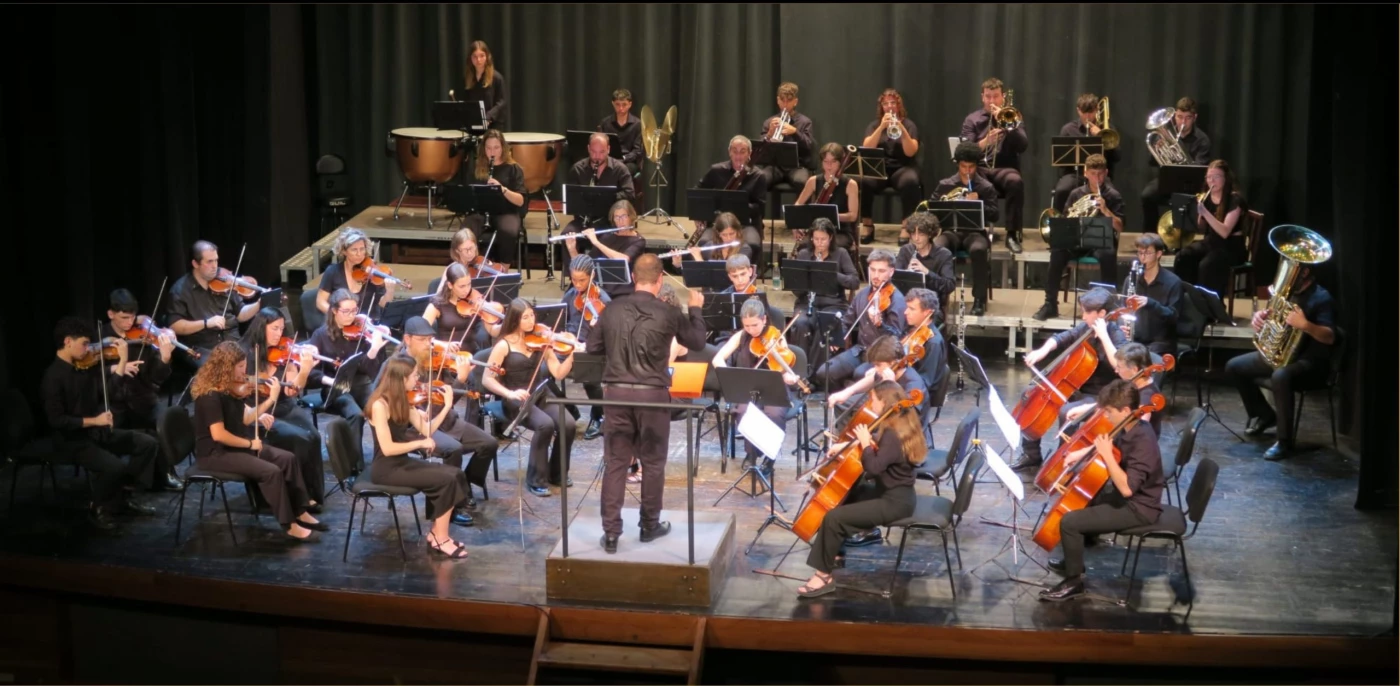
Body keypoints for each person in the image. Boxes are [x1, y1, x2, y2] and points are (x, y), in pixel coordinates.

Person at [590, 254, 708, 554]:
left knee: (616, 462)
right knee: (653, 462)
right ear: (660, 280)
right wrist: (695, 309)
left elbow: (592, 347)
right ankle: (648, 525)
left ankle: (612, 533)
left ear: (632, 277)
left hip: (615, 394)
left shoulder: (612, 308)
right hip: (653, 396)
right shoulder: (667, 311)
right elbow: (696, 341)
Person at [1039, 379, 1163, 602]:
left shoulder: (1143, 440)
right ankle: (1073, 558)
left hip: (1139, 507)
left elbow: (1126, 489)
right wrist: (1081, 454)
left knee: (1070, 522)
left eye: (1108, 411)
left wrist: (1106, 455)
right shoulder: (1128, 424)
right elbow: (1109, 441)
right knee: (1083, 499)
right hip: (1129, 497)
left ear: (1125, 410)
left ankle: (1073, 581)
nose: (1105, 416)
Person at [798, 380, 925, 598]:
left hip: (894, 503)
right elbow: (884, 453)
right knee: (847, 495)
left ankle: (823, 576)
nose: (870, 403)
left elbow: (874, 467)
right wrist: (851, 446)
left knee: (834, 518)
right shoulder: (899, 424)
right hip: (895, 493)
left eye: (873, 399)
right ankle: (835, 553)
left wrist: (865, 443)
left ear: (884, 402)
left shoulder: (893, 435)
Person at [190, 341, 322, 541]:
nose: (245, 372)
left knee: (287, 458)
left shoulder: (230, 390)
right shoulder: (210, 396)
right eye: (241, 367)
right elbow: (218, 435)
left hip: (233, 447)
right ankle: (289, 525)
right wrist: (250, 444)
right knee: (271, 472)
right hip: (216, 454)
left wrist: (270, 400)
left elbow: (247, 417)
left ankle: (300, 510)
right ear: (226, 367)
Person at [42, 317, 159, 530]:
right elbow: (57, 421)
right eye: (84, 344)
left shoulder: (86, 367)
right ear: (68, 341)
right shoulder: (53, 377)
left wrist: (122, 362)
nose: (88, 349)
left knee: (147, 443)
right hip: (72, 441)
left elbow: (111, 391)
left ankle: (121, 498)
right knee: (114, 467)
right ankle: (97, 508)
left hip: (96, 433)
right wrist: (94, 420)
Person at [394, 316, 500, 524]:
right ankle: (446, 509)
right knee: (453, 449)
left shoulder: (436, 360)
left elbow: (446, 401)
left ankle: (463, 485)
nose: (429, 345)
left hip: (446, 420)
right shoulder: (396, 366)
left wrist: (460, 379)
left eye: (430, 340)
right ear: (407, 339)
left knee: (489, 443)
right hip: (417, 427)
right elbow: (381, 398)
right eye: (423, 340)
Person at [1225, 265, 1336, 461]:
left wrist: (1305, 325)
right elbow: (1272, 320)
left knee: (1280, 376)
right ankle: (1264, 415)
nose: (1287, 276)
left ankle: (1285, 442)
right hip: (1283, 355)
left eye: (1294, 271)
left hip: (1311, 362)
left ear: (1305, 273)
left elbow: (1330, 337)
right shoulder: (1285, 294)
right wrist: (1260, 319)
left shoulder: (1322, 298)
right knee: (1234, 366)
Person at [365, 356, 471, 558]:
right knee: (446, 480)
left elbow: (427, 429)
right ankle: (441, 538)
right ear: (402, 379)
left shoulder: (404, 399)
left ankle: (437, 533)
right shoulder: (379, 405)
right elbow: (387, 449)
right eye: (414, 375)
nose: (417, 379)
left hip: (401, 463)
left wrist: (446, 407)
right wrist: (419, 443)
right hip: (386, 469)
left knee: (455, 474)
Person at [1012, 288, 1127, 472]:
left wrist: (1104, 336)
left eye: (1087, 312)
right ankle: (1031, 455)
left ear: (1102, 314)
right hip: (1078, 389)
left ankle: (1063, 460)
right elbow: (1061, 338)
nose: (1083, 317)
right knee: (1032, 394)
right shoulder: (1085, 329)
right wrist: (1042, 351)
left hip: (1101, 396)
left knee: (1067, 412)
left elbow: (1120, 366)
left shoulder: (1116, 335)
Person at [482, 298, 578, 496]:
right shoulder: (503, 345)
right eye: (525, 317)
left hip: (540, 393)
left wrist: (572, 356)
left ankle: (557, 474)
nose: (531, 320)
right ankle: (536, 479)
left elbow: (558, 373)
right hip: (516, 398)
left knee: (568, 424)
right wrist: (509, 393)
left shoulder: (541, 341)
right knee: (545, 425)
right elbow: (487, 379)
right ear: (515, 320)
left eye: (532, 315)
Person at [239, 307, 326, 512]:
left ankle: (311, 493)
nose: (279, 334)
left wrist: (304, 369)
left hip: (285, 407)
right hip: (260, 411)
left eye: (281, 329)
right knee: (298, 439)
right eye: (274, 329)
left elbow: (292, 391)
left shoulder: (285, 352)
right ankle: (295, 495)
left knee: (313, 435)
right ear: (262, 328)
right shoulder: (244, 353)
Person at [102, 288, 183, 491]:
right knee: (108, 433)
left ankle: (165, 472)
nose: (129, 323)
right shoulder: (101, 336)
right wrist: (114, 368)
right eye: (123, 318)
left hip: (142, 398)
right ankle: (125, 481)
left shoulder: (144, 337)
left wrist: (164, 358)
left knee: (165, 421)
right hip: (115, 402)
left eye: (132, 317)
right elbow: (88, 372)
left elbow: (155, 378)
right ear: (111, 314)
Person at [712, 299, 802, 472]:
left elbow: (784, 367)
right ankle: (752, 454)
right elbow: (717, 358)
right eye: (747, 325)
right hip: (749, 388)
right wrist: (730, 376)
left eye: (755, 325)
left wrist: (789, 376)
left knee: (773, 413)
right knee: (744, 411)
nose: (751, 330)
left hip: (774, 387)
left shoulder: (776, 337)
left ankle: (770, 456)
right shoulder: (740, 336)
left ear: (764, 320)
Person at [1035, 154, 1125, 321]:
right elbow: (1065, 219)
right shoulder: (1076, 194)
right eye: (1092, 174)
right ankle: (1050, 304)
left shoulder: (1113, 196)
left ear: (1106, 173)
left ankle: (1108, 305)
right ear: (1085, 173)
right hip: (1077, 241)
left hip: (1101, 242)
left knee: (1108, 255)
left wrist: (1105, 210)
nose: (1096, 178)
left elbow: (1120, 226)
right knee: (1057, 252)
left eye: (1100, 174)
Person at [306, 288, 391, 459]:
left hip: (361, 384)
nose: (351, 316)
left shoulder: (362, 332)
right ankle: (355, 465)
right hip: (335, 388)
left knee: (381, 408)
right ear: (334, 311)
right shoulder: (320, 335)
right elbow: (311, 373)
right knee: (355, 414)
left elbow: (372, 371)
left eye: (354, 310)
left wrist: (374, 349)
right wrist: (329, 380)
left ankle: (383, 457)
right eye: (346, 311)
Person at [811, 249, 906, 391]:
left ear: (891, 272)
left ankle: (855, 398)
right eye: (872, 270)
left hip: (881, 357)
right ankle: (844, 396)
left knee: (860, 374)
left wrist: (880, 324)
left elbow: (896, 336)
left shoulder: (896, 299)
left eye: (881, 271)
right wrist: (837, 337)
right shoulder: (862, 294)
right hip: (860, 351)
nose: (875, 275)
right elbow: (847, 321)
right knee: (825, 372)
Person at [166, 240, 263, 366]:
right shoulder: (180, 290)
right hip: (203, 348)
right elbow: (175, 326)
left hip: (233, 344)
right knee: (220, 367)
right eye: (209, 262)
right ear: (195, 263)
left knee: (259, 359)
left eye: (216, 260)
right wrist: (206, 323)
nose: (215, 266)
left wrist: (258, 305)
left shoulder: (225, 282)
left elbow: (241, 314)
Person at [961, 77, 1029, 254]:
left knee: (1015, 181)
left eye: (996, 96)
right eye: (988, 96)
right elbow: (964, 151)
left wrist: (1008, 125)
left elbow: (1023, 146)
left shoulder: (1013, 116)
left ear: (1003, 97)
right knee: (967, 178)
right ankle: (975, 231)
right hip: (980, 169)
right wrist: (985, 142)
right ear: (982, 97)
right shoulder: (972, 119)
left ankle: (1012, 235)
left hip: (1004, 168)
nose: (992, 101)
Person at [930, 143, 998, 314]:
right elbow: (931, 211)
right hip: (951, 232)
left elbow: (995, 215)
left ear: (976, 166)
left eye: (971, 167)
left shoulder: (985, 187)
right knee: (938, 247)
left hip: (975, 233)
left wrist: (979, 202)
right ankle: (939, 295)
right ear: (958, 165)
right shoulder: (945, 185)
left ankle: (978, 300)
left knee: (979, 249)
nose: (967, 170)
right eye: (963, 166)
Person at [785, 219, 860, 372]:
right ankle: (799, 371)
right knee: (800, 324)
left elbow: (854, 281)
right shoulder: (804, 254)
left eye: (823, 239)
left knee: (825, 327)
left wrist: (831, 274)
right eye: (816, 239)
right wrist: (802, 282)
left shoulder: (841, 254)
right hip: (807, 303)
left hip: (834, 304)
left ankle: (815, 374)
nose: (819, 243)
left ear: (831, 237)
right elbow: (796, 291)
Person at [1061, 342, 1164, 441]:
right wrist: (1088, 408)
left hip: (1132, 448)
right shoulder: (1134, 383)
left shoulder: (1146, 398)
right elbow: (1115, 401)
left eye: (1119, 367)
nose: (1116, 371)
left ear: (1134, 369)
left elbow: (1135, 434)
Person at [858, 88, 923, 244]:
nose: (889, 106)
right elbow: (867, 147)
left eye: (893, 103)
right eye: (885, 104)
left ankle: (906, 225)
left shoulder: (909, 125)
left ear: (899, 105)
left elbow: (911, 151)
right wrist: (881, 127)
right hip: (879, 169)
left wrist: (901, 129)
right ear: (882, 107)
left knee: (911, 181)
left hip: (902, 168)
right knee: (864, 180)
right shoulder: (874, 125)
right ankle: (867, 223)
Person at [1176, 160, 1248, 295]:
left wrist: (1205, 212)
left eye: (1216, 177)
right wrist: (1197, 214)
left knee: (1207, 266)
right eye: (1209, 177)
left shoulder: (1235, 200)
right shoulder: (1207, 197)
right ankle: (1188, 298)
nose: (1211, 181)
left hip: (1231, 247)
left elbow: (1225, 232)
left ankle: (1210, 308)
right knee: (1183, 256)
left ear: (1225, 178)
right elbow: (1202, 229)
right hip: (1212, 242)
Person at [1140, 97, 1212, 232]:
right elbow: (1152, 162)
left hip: (1188, 185)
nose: (1183, 122)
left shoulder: (1202, 140)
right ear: (1174, 116)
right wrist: (1157, 149)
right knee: (1147, 195)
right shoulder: (1167, 133)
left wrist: (1181, 152)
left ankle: (1181, 242)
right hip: (1168, 180)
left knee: (1182, 199)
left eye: (1187, 118)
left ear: (1195, 117)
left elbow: (1199, 170)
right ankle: (1151, 237)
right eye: (1179, 117)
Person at [460, 130, 529, 268]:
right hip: (481, 212)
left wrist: (502, 189)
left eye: (496, 147)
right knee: (465, 232)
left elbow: (521, 200)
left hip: (506, 212)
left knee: (508, 231)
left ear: (503, 147)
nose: (492, 151)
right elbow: (468, 193)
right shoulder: (476, 167)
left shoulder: (513, 168)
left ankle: (503, 273)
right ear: (483, 148)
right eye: (488, 148)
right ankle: (467, 270)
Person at [561, 254, 611, 440]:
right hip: (569, 348)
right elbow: (561, 323)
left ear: (592, 277)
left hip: (593, 350)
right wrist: (567, 339)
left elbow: (610, 334)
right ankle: (567, 408)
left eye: (582, 280)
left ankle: (597, 417)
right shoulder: (569, 296)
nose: (578, 284)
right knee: (543, 369)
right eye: (574, 280)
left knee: (590, 377)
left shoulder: (603, 299)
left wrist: (592, 338)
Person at [694, 135, 767, 259]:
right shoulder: (716, 170)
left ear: (749, 153)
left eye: (742, 152)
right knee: (704, 242)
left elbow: (760, 208)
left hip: (745, 224)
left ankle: (747, 276)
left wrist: (739, 205)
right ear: (729, 153)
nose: (738, 156)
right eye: (735, 151)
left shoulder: (758, 176)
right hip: (719, 225)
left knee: (752, 243)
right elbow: (698, 192)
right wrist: (699, 215)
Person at [564, 199, 647, 297]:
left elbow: (623, 259)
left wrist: (596, 242)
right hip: (601, 288)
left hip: (623, 290)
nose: (620, 221)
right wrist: (572, 249)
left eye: (624, 216)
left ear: (631, 217)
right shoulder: (607, 237)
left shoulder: (638, 241)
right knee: (570, 295)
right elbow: (585, 265)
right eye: (617, 217)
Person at [1053, 93, 1121, 213]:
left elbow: (1117, 157)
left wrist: (1101, 137)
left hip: (1099, 174)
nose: (1088, 116)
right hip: (1075, 173)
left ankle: (1110, 227)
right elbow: (1060, 162)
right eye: (1084, 112)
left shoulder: (1107, 129)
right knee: (1062, 190)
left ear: (1097, 110)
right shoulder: (1068, 129)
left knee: (1112, 193)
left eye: (1091, 112)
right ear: (1078, 110)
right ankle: (1058, 225)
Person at [1123, 234, 1184, 356]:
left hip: (1161, 342)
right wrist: (1123, 327)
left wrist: (1150, 303)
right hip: (1135, 340)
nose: (1143, 258)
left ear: (1159, 254)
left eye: (1147, 253)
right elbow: (1122, 310)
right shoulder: (1131, 280)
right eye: (1140, 253)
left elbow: (1174, 316)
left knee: (1140, 358)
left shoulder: (1173, 282)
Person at [563, 133, 636, 234]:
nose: (597, 157)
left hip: (609, 220)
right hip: (583, 221)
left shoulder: (620, 169)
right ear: (588, 149)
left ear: (608, 149)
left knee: (606, 238)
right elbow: (571, 198)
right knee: (566, 235)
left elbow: (630, 194)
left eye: (602, 152)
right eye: (593, 152)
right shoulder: (577, 169)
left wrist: (608, 197)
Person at [424, 262, 503, 355]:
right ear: (450, 285)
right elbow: (419, 335)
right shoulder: (437, 305)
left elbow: (493, 332)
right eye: (462, 286)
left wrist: (507, 324)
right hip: (448, 356)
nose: (467, 290)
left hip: (473, 355)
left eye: (469, 284)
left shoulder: (474, 299)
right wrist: (443, 345)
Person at [794, 142, 861, 251]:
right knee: (804, 247)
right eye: (826, 162)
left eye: (833, 161)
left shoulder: (850, 184)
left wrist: (831, 215)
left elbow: (853, 216)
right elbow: (798, 204)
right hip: (818, 230)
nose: (829, 166)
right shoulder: (813, 181)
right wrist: (796, 225)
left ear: (840, 162)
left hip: (840, 231)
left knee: (830, 247)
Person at [316, 228, 395, 319]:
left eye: (362, 249)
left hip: (368, 322)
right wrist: (339, 315)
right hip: (341, 323)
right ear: (344, 251)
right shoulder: (333, 271)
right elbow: (320, 302)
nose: (359, 254)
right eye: (354, 250)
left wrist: (390, 291)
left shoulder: (372, 272)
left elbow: (383, 304)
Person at [755, 82, 816, 189]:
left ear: (795, 102)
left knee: (802, 182)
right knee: (759, 180)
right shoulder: (769, 122)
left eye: (789, 101)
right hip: (774, 167)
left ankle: (799, 206)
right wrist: (769, 134)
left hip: (797, 167)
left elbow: (809, 146)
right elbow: (760, 150)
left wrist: (795, 132)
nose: (785, 104)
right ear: (778, 100)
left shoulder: (805, 122)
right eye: (782, 100)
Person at [896, 214, 956, 318]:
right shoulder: (905, 251)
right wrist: (907, 274)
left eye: (921, 234)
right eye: (913, 233)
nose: (916, 238)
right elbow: (894, 282)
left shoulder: (943, 255)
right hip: (907, 305)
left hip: (931, 308)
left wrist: (927, 272)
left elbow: (949, 285)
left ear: (930, 234)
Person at [670, 212, 755, 270]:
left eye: (732, 234)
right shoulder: (710, 246)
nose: (728, 238)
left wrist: (699, 258)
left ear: (737, 231)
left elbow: (730, 273)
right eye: (724, 235)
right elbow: (691, 271)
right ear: (719, 234)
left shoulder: (744, 249)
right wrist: (678, 263)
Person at [460, 40, 508, 131]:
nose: (478, 60)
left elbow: (501, 102)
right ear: (470, 58)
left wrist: (488, 117)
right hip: (473, 125)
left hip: (493, 126)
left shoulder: (497, 78)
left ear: (487, 56)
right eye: (475, 56)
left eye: (482, 56)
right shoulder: (468, 78)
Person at [597, 89, 644, 177]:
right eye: (617, 105)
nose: (621, 108)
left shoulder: (638, 124)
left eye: (624, 105)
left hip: (629, 162)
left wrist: (624, 158)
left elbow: (637, 151)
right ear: (613, 103)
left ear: (630, 104)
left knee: (621, 169)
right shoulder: (605, 123)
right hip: (609, 160)